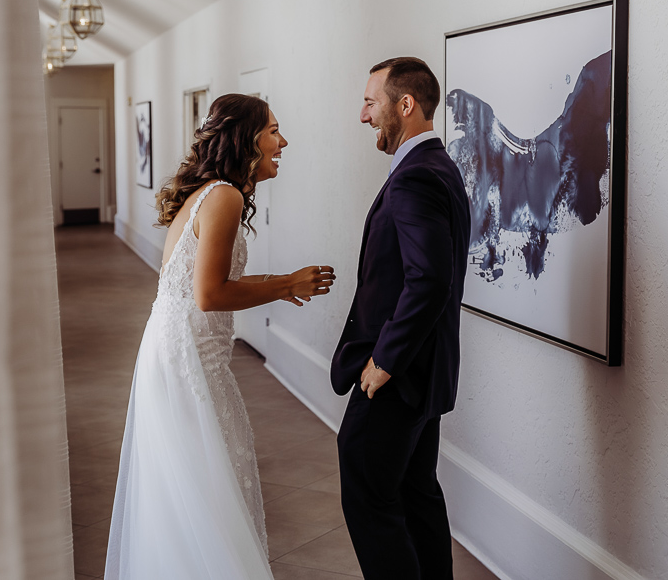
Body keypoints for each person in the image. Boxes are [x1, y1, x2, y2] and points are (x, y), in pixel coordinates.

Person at [105, 94, 336, 580]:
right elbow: (209, 294)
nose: (283, 141)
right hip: (190, 358)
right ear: (247, 139)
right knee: (210, 487)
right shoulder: (225, 196)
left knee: (188, 491)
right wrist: (285, 285)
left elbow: (195, 286)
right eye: (274, 131)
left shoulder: (210, 192)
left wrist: (281, 281)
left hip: (171, 349)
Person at [331, 58, 472, 579]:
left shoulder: (415, 177)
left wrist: (384, 362)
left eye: (371, 102)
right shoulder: (440, 167)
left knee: (368, 495)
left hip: (401, 375)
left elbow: (430, 279)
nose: (364, 116)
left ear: (404, 105)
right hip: (426, 372)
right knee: (416, 496)